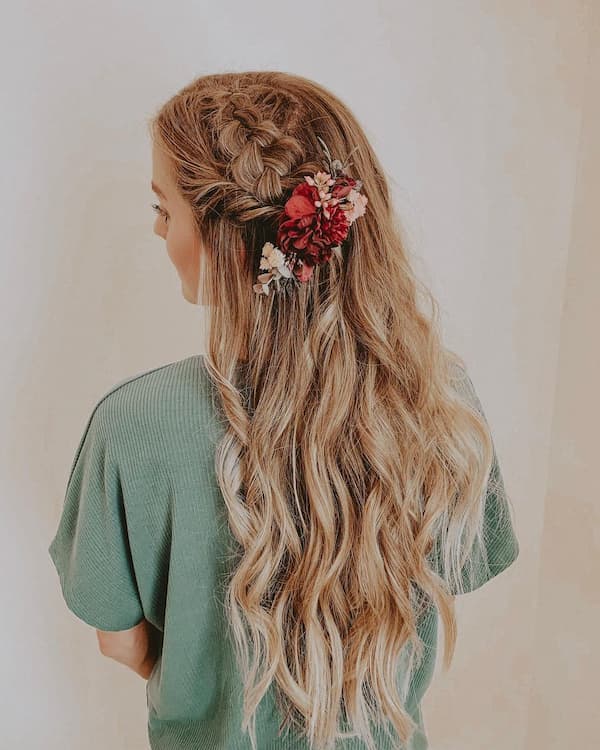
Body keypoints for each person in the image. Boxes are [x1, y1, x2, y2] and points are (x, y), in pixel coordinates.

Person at [48, 71, 520, 750]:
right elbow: (456, 575)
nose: (157, 232)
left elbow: (121, 646)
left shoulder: (132, 423)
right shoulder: (441, 400)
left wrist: (216, 677)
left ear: (225, 242)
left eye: (164, 210)